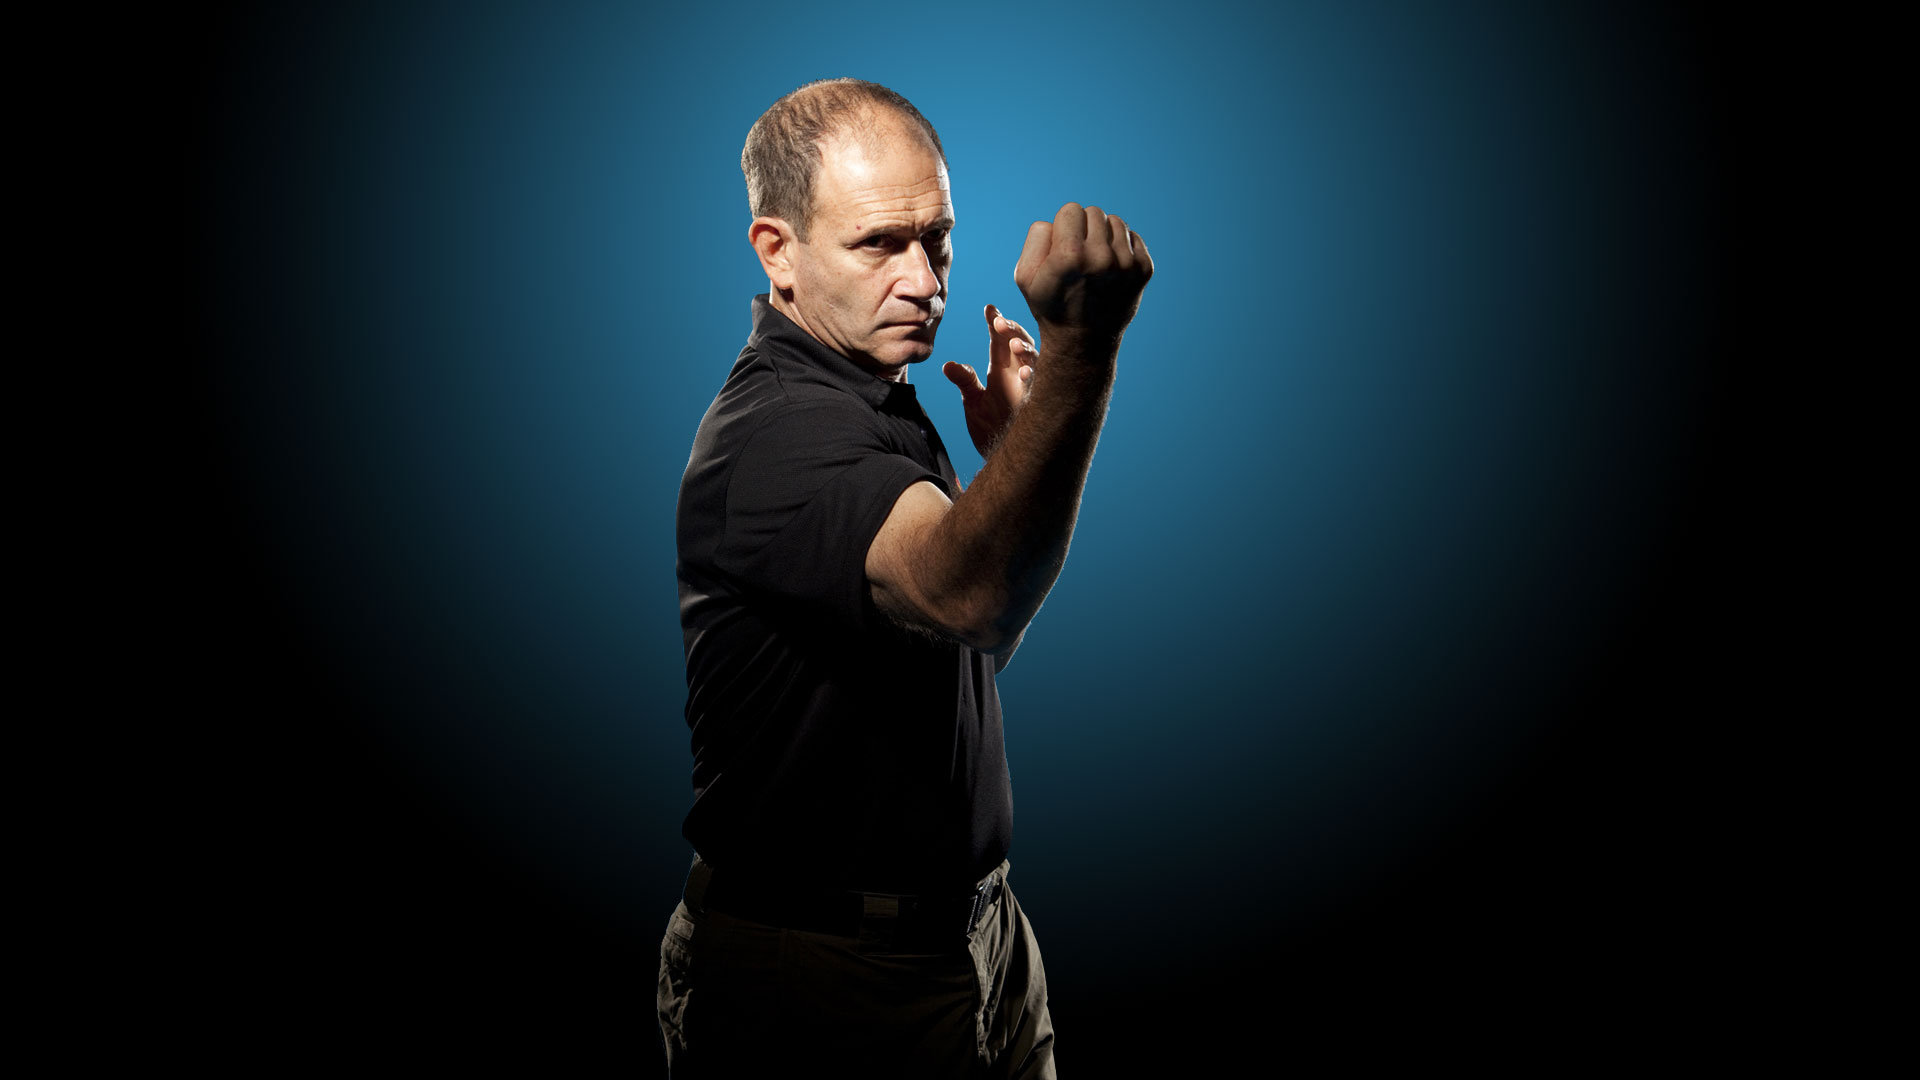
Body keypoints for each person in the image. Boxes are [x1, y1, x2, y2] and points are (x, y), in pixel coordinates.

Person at [660, 77, 1152, 1078]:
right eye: (880, 244)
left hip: (975, 944)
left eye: (937, 240)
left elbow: (967, 644)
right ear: (778, 252)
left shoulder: (877, 397)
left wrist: (1009, 460)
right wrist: (1082, 353)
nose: (925, 281)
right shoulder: (781, 433)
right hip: (828, 978)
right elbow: (972, 596)